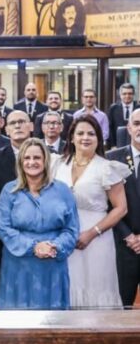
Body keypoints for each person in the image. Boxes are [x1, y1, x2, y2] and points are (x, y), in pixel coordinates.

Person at [53, 115, 129, 308]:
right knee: (69, 285)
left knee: (95, 287)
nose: (85, 138)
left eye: (91, 134)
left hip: (97, 238)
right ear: (71, 137)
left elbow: (121, 208)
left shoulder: (106, 168)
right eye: (80, 133)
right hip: (63, 238)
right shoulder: (58, 164)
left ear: (98, 139)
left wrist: (92, 233)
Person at [0, 138, 79, 310]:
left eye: (37, 158)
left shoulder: (63, 190)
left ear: (45, 161)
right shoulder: (8, 190)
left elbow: (71, 229)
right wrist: (33, 247)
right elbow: (4, 229)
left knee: (54, 325)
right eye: (27, 158)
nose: (32, 162)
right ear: (20, 162)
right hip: (18, 266)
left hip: (53, 264)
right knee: (16, 325)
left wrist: (53, 246)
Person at [106, 108, 140, 307]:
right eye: (137, 123)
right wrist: (129, 236)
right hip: (123, 244)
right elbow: (107, 205)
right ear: (128, 128)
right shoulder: (112, 159)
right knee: (121, 306)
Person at [108, 83, 138, 148]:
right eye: (124, 94)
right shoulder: (113, 108)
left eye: (130, 94)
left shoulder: (139, 108)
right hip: (117, 145)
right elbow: (110, 128)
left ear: (133, 94)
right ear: (120, 95)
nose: (127, 96)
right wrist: (113, 145)